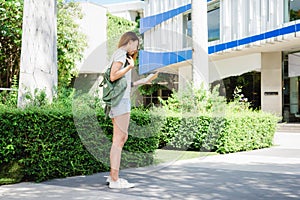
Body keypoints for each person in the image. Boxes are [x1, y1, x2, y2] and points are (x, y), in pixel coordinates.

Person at [105, 31, 157, 189]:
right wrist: (130, 67)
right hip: (121, 103)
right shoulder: (121, 54)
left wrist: (144, 81)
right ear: (130, 41)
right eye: (137, 44)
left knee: (120, 139)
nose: (137, 48)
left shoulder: (119, 55)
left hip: (119, 100)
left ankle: (112, 176)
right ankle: (115, 180)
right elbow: (114, 76)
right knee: (119, 141)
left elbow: (125, 85)